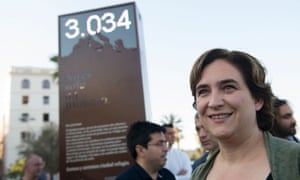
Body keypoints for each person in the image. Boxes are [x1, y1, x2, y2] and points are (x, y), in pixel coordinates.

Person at [189, 48, 300, 179]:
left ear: (258, 99)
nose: (214, 102)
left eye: (228, 87)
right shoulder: (198, 174)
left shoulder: (295, 162)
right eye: (203, 91)